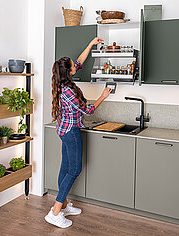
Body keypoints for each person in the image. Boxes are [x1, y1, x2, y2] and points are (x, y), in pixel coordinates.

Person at [45, 37, 112, 228]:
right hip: (71, 132)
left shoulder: (62, 81)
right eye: (74, 66)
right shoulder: (68, 91)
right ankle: (55, 211)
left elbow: (79, 61)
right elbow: (88, 110)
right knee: (74, 170)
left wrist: (91, 44)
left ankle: (63, 205)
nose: (77, 65)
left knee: (65, 167)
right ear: (69, 72)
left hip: (63, 130)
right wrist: (103, 96)